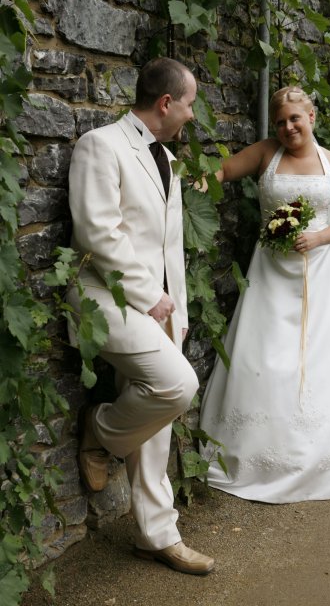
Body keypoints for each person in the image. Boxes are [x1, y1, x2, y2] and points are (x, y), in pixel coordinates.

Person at [200, 86, 330, 504]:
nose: (288, 127)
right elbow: (222, 170)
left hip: (326, 272)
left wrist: (318, 237)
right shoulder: (266, 154)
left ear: (311, 116)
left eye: (295, 118)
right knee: (267, 355)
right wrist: (198, 184)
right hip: (271, 273)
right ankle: (266, 449)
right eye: (280, 121)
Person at [67, 57, 214, 575]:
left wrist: (178, 310)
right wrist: (149, 295)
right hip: (104, 300)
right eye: (190, 105)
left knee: (158, 423)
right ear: (166, 103)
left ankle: (158, 536)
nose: (192, 115)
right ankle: (100, 428)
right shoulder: (101, 145)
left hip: (158, 307)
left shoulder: (166, 159)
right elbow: (96, 231)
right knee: (177, 386)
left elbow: (169, 247)